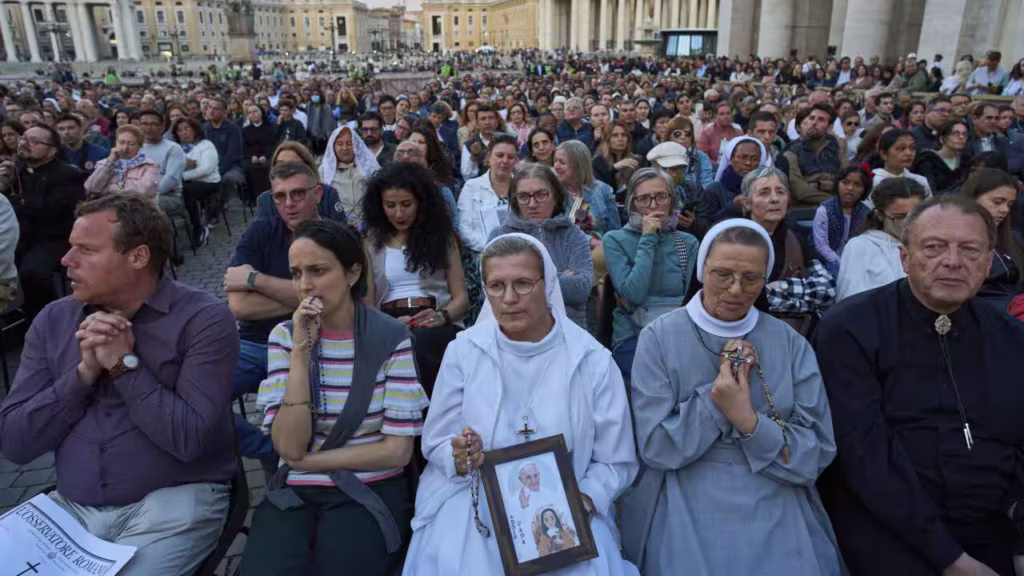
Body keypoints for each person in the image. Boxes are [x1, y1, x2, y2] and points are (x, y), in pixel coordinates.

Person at [0, 194, 238, 575]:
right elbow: (15, 443)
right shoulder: (54, 321)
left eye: (86, 250)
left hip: (173, 503)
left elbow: (189, 439)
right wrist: (82, 375)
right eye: (69, 247)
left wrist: (124, 365)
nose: (66, 261)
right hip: (70, 510)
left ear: (138, 257)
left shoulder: (203, 320)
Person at [402, 233, 639, 576]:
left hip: (568, 501)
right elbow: (438, 439)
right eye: (496, 286)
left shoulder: (591, 360)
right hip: (477, 495)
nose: (509, 298)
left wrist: (582, 501)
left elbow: (615, 460)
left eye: (523, 284)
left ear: (548, 284)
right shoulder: (464, 351)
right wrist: (459, 455)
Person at [816, 194, 1024, 576]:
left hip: (993, 523)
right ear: (905, 258)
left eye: (970, 249)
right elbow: (865, 457)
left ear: (989, 259)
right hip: (887, 527)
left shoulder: (1011, 338)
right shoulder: (850, 328)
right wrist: (950, 558)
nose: (952, 261)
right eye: (934, 247)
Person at [620, 218, 841, 576]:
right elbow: (655, 447)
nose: (736, 289)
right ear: (701, 268)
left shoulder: (789, 343)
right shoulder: (659, 337)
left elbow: (816, 452)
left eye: (752, 278)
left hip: (776, 485)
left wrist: (747, 420)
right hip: (685, 486)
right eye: (722, 274)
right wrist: (715, 401)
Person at [238, 219, 427, 575]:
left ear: (352, 273)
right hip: (295, 492)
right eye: (296, 273)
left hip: (369, 486)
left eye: (318, 270)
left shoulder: (390, 337)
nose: (304, 285)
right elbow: (289, 445)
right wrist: (299, 352)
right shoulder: (284, 337)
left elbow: (397, 451)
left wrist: (307, 463)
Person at [224, 162, 323, 460]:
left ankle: (291, 457)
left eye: (297, 194)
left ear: (317, 193)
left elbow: (347, 302)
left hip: (315, 343)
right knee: (196, 396)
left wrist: (256, 280)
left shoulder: (333, 236)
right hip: (257, 345)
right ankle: (268, 449)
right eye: (279, 196)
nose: (288, 204)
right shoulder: (259, 233)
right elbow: (239, 306)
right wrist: (312, 299)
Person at [362, 162, 468, 397]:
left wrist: (442, 316)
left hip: (434, 317)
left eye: (406, 204)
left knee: (421, 344)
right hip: (387, 320)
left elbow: (461, 297)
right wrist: (389, 324)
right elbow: (367, 303)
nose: (398, 213)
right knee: (403, 344)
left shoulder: (443, 239)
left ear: (421, 202)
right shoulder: (370, 243)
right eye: (390, 205)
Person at [603, 169, 699, 380]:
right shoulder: (615, 239)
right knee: (654, 377)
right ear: (633, 204)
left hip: (679, 332)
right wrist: (648, 237)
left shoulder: (688, 242)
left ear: (671, 200)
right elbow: (634, 294)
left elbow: (691, 299)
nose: (654, 205)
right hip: (633, 335)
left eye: (660, 197)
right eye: (644, 199)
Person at [488, 163, 593, 328]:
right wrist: (560, 277)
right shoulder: (500, 236)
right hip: (514, 329)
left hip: (568, 327)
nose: (532, 204)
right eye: (523, 196)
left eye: (540, 195)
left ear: (556, 196)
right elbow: (493, 292)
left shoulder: (573, 235)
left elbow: (581, 289)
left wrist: (521, 282)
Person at [0, 125, 85, 320]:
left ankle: (46, 321)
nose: (24, 144)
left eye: (34, 142)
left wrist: (12, 199)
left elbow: (52, 210)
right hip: (19, 236)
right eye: (24, 138)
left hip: (51, 238)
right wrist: (3, 186)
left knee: (32, 273)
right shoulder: (16, 168)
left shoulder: (67, 174)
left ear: (52, 151)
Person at [836, 177, 927, 300]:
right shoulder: (860, 247)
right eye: (900, 216)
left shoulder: (935, 245)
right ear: (879, 215)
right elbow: (851, 300)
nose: (910, 223)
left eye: (916, 215)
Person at [959, 169, 1023, 304]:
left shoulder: (1012, 239)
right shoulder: (954, 241)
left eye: (1009, 204)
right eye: (998, 202)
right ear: (973, 199)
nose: (1005, 209)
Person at [255, 142, 347, 224]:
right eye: (281, 164)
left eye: (293, 164)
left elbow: (342, 231)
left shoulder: (328, 193)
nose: (286, 169)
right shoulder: (265, 200)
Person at [457, 134, 519, 253]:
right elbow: (464, 229)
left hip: (519, 253)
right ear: (489, 157)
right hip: (483, 255)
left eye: (511, 157)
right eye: (499, 155)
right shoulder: (471, 186)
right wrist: (493, 246)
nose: (505, 161)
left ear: (515, 161)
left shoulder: (522, 187)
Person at [776, 104, 845, 209]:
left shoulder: (837, 150)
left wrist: (820, 184)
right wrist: (839, 200)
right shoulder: (791, 152)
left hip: (835, 211)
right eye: (812, 118)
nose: (813, 122)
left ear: (830, 127)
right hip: (803, 212)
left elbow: (845, 182)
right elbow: (801, 192)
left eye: (820, 120)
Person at [813, 166, 873, 275]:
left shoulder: (866, 214)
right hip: (826, 262)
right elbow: (821, 245)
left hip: (856, 263)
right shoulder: (824, 210)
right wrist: (841, 264)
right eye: (845, 183)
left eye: (857, 185)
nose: (850, 188)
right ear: (837, 184)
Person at [697, 136, 766, 229]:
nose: (748, 163)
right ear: (732, 159)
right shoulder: (714, 190)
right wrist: (732, 207)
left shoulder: (766, 189)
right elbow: (703, 228)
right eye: (743, 157)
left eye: (754, 159)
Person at [554, 140, 621, 236]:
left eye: (562, 162)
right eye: (555, 161)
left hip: (601, 249)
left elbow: (615, 231)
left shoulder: (603, 190)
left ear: (578, 165)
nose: (556, 166)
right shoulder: (553, 192)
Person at [172, 117, 221, 247]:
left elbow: (206, 168)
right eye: (180, 130)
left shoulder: (205, 145)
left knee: (186, 191)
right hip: (186, 183)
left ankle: (198, 227)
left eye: (187, 129)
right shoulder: (176, 149)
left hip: (209, 183)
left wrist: (182, 176)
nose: (184, 133)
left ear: (195, 130)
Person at [321, 125, 380, 228]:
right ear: (333, 147)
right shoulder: (324, 170)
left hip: (368, 226)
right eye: (340, 144)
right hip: (336, 228)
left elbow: (379, 196)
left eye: (349, 144)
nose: (345, 148)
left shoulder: (368, 166)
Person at [84, 125, 159, 200]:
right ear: (116, 142)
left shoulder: (149, 165)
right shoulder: (104, 163)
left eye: (131, 144)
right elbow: (91, 187)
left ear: (139, 146)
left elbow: (143, 193)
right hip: (106, 207)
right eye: (121, 142)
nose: (125, 147)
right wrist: (110, 162)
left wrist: (109, 190)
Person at [203, 98, 244, 227]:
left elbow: (232, 154)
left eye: (215, 108)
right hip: (209, 166)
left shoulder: (232, 129)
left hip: (232, 166)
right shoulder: (204, 128)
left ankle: (213, 214)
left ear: (224, 111)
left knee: (227, 179)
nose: (211, 111)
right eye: (209, 107)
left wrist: (218, 171)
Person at [137, 110, 186, 216]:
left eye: (154, 124)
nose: (149, 128)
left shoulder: (173, 148)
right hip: (136, 195)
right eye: (145, 124)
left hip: (166, 195)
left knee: (140, 207)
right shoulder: (134, 147)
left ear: (162, 127)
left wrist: (143, 195)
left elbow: (171, 179)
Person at [912, 120, 971, 195]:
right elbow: (929, 191)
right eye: (956, 134)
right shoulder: (927, 159)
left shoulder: (966, 160)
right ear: (942, 139)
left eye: (964, 134)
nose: (961, 137)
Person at [871, 129, 933, 200]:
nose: (909, 153)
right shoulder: (872, 181)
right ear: (884, 154)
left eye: (912, 148)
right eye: (901, 149)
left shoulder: (920, 181)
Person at [242, 105, 278, 205]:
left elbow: (272, 145)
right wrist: (251, 156)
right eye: (250, 112)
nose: (253, 114)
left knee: (269, 167)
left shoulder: (269, 128)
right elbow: (244, 147)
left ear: (261, 113)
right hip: (250, 157)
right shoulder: (245, 130)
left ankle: (269, 197)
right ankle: (252, 198)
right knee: (247, 168)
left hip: (267, 156)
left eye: (255, 111)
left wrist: (265, 156)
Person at [666, 116, 714, 190]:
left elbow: (707, 186)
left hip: (697, 199)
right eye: (677, 134)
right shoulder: (660, 156)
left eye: (687, 134)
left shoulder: (702, 157)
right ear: (669, 137)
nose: (683, 137)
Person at [592, 120, 638, 192]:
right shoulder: (598, 161)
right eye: (615, 135)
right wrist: (614, 168)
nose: (620, 139)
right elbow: (601, 190)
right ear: (607, 139)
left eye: (624, 135)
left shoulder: (634, 159)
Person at [461, 103, 502, 181]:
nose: (487, 122)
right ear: (477, 123)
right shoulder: (469, 144)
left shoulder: (505, 140)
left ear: (496, 122)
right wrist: (473, 157)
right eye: (483, 119)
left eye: (491, 118)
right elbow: (467, 176)